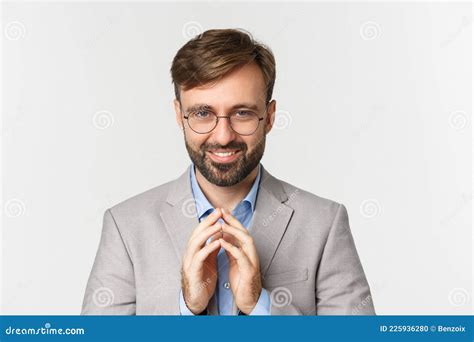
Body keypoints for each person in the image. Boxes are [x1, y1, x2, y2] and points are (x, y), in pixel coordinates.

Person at [81, 28, 375, 315]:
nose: (223, 136)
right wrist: (185, 308)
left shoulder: (324, 223)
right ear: (178, 115)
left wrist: (262, 307)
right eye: (202, 113)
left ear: (269, 117)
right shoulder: (126, 226)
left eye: (242, 113)